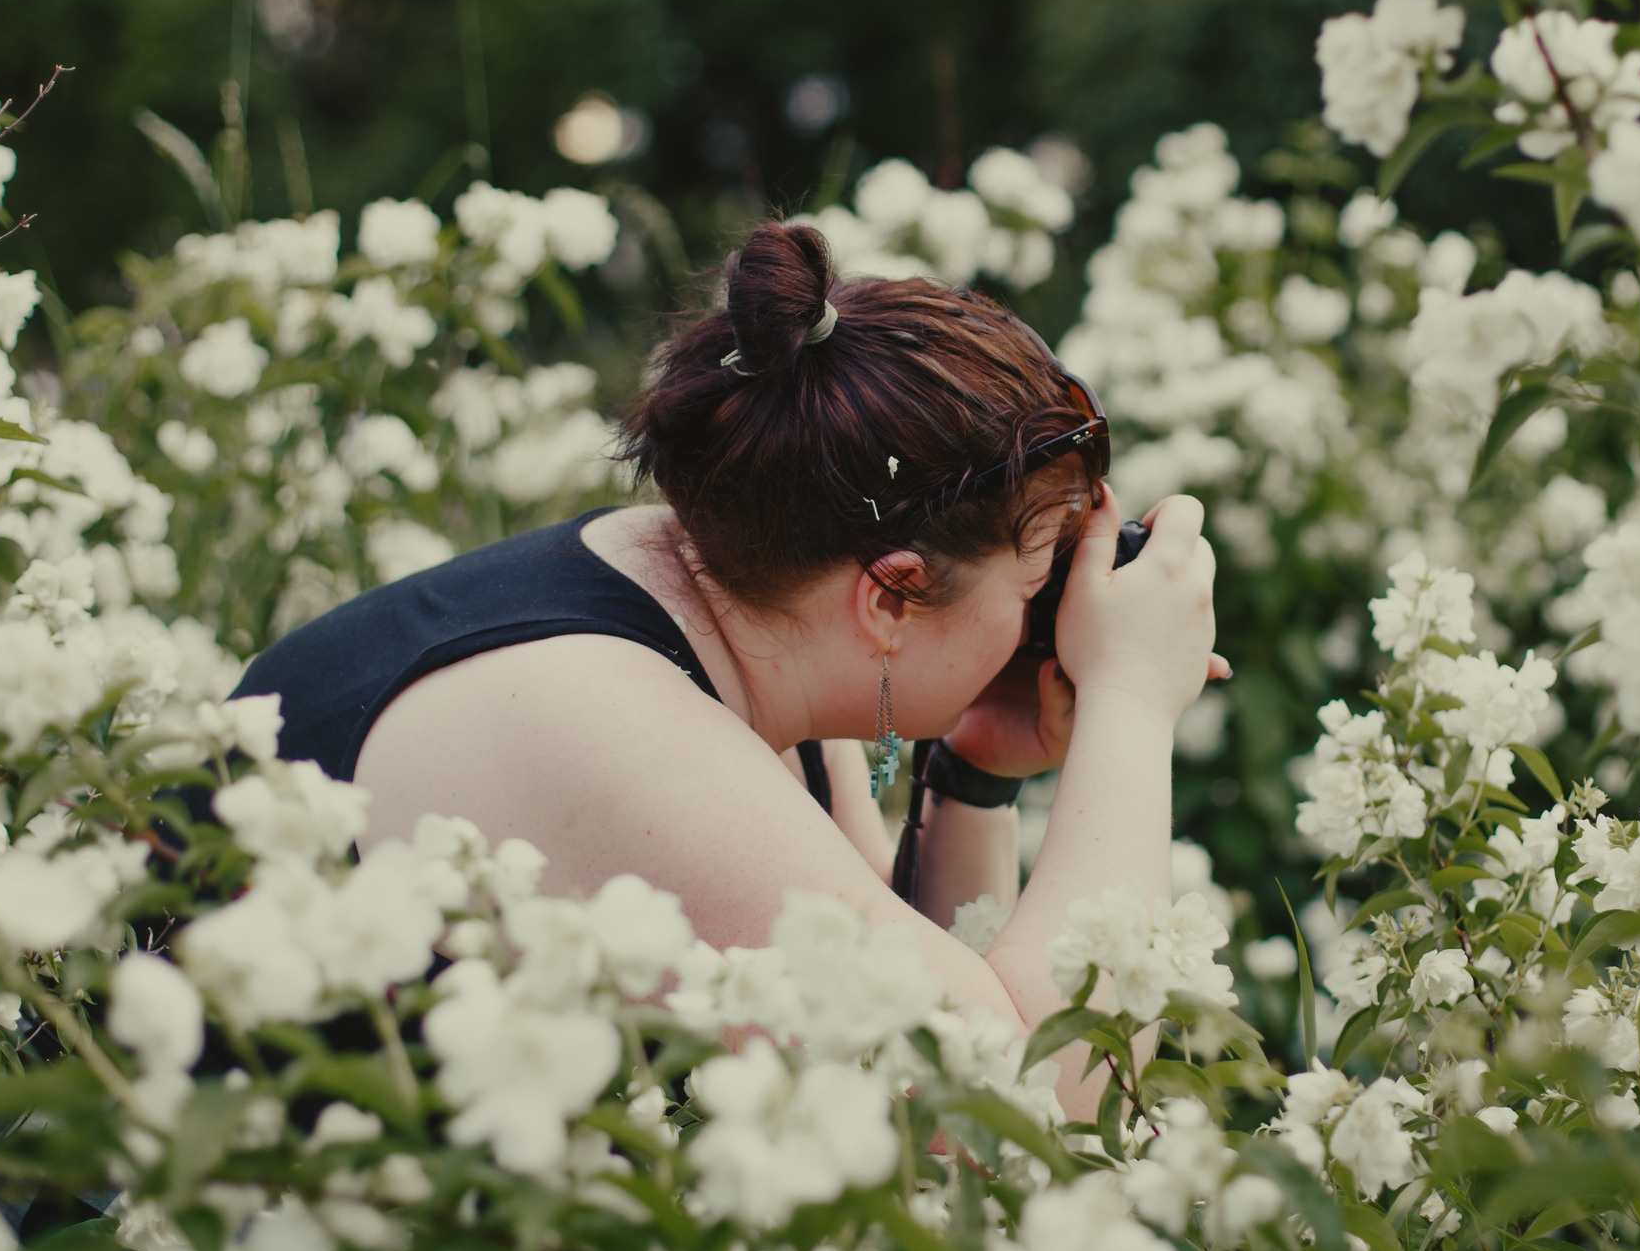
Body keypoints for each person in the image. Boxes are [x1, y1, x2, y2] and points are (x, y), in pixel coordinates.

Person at [230, 220, 1226, 1095]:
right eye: (1038, 579)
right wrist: (1133, 702)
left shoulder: (746, 611)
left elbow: (889, 1014)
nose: (1051, 610)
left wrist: (969, 774)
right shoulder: (607, 720)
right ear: (889, 594)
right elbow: (1019, 1112)